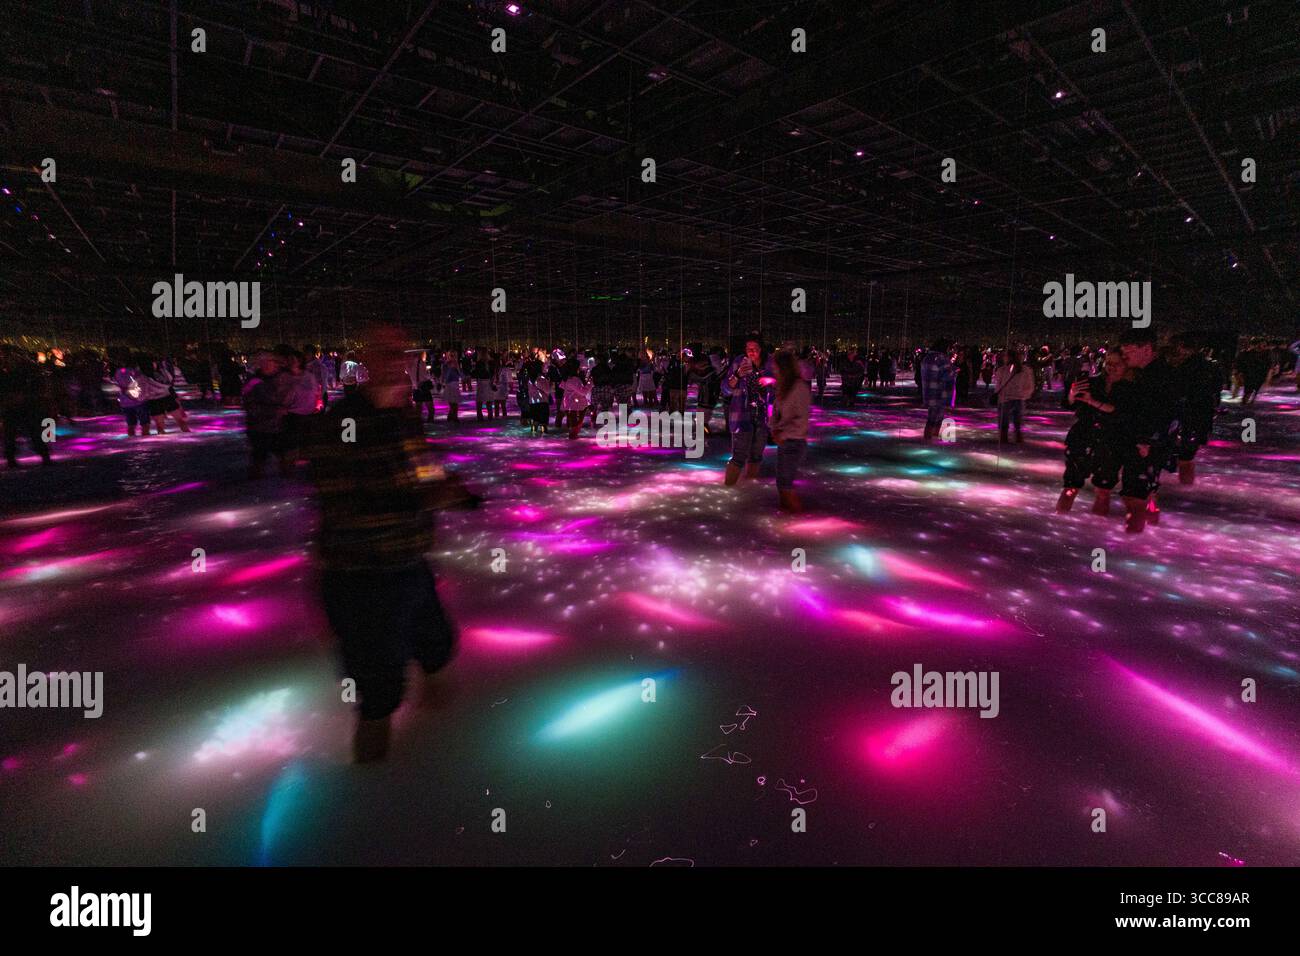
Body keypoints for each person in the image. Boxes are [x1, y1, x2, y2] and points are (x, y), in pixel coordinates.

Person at [306, 323, 476, 763]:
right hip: (360, 576)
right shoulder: (341, 424)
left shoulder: (402, 417)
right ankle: (371, 799)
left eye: (403, 352)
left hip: (408, 564)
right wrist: (426, 499)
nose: (398, 362)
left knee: (437, 648)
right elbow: (344, 503)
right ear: (364, 361)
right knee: (379, 693)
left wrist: (448, 489)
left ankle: (452, 758)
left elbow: (420, 471)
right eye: (384, 352)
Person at [1114, 327, 1181, 533]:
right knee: (1146, 489)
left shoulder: (1158, 377)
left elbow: (1165, 413)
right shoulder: (1149, 373)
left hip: (1146, 444)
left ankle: (1133, 539)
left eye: (1129, 351)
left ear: (1147, 349)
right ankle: (1151, 517)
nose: (1124, 356)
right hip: (1147, 442)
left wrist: (1147, 441)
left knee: (1134, 496)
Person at [1056, 351, 1128, 514]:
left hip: (1111, 441)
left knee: (1103, 490)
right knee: (1071, 486)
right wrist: (1072, 396)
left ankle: (1097, 528)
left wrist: (1092, 401)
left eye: (1117, 364)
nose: (1111, 367)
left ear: (1126, 365)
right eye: (1109, 362)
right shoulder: (1092, 382)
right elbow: (1070, 405)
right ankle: (1060, 519)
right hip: (1083, 437)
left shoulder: (1129, 388)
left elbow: (1120, 411)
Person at [720, 336, 775, 485]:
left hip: (763, 415)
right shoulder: (739, 362)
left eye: (755, 349)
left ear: (761, 349)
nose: (751, 352)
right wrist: (737, 375)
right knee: (739, 455)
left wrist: (771, 381)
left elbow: (780, 386)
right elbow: (725, 389)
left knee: (756, 455)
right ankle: (729, 489)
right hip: (742, 415)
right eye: (748, 349)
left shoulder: (770, 363)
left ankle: (749, 488)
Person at [1167, 333, 1220, 485]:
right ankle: (1185, 488)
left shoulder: (1184, 367)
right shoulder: (1209, 366)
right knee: (1187, 456)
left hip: (1186, 417)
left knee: (1184, 455)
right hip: (1197, 417)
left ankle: (1184, 489)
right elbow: (1216, 392)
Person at [242, 350, 294, 478]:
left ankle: (286, 472)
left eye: (268, 362)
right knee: (259, 452)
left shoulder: (284, 377)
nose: (265, 365)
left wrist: (260, 393)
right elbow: (246, 398)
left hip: (277, 424)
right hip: (257, 425)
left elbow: (281, 399)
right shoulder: (254, 379)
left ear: (276, 363)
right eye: (262, 362)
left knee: (281, 451)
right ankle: (256, 474)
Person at [770, 351, 811, 513]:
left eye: (776, 367)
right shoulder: (784, 387)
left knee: (785, 485)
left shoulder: (798, 387)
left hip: (794, 441)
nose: (773, 370)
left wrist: (781, 432)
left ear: (783, 367)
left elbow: (799, 418)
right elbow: (777, 413)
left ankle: (800, 524)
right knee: (781, 484)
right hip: (785, 441)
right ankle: (786, 520)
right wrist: (774, 428)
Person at [992, 349, 1035, 444]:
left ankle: (1004, 437)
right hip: (1018, 398)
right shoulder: (1026, 370)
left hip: (1006, 398)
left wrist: (999, 396)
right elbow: (1030, 386)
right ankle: (1017, 437)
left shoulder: (1003, 370)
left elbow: (998, 385)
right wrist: (1024, 395)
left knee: (1004, 419)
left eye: (1005, 356)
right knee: (1017, 419)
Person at [918, 340, 957, 441]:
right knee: (937, 417)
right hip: (940, 393)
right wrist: (954, 371)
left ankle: (927, 438)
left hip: (929, 392)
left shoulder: (926, 358)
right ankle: (932, 438)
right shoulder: (942, 358)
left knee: (931, 416)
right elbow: (946, 375)